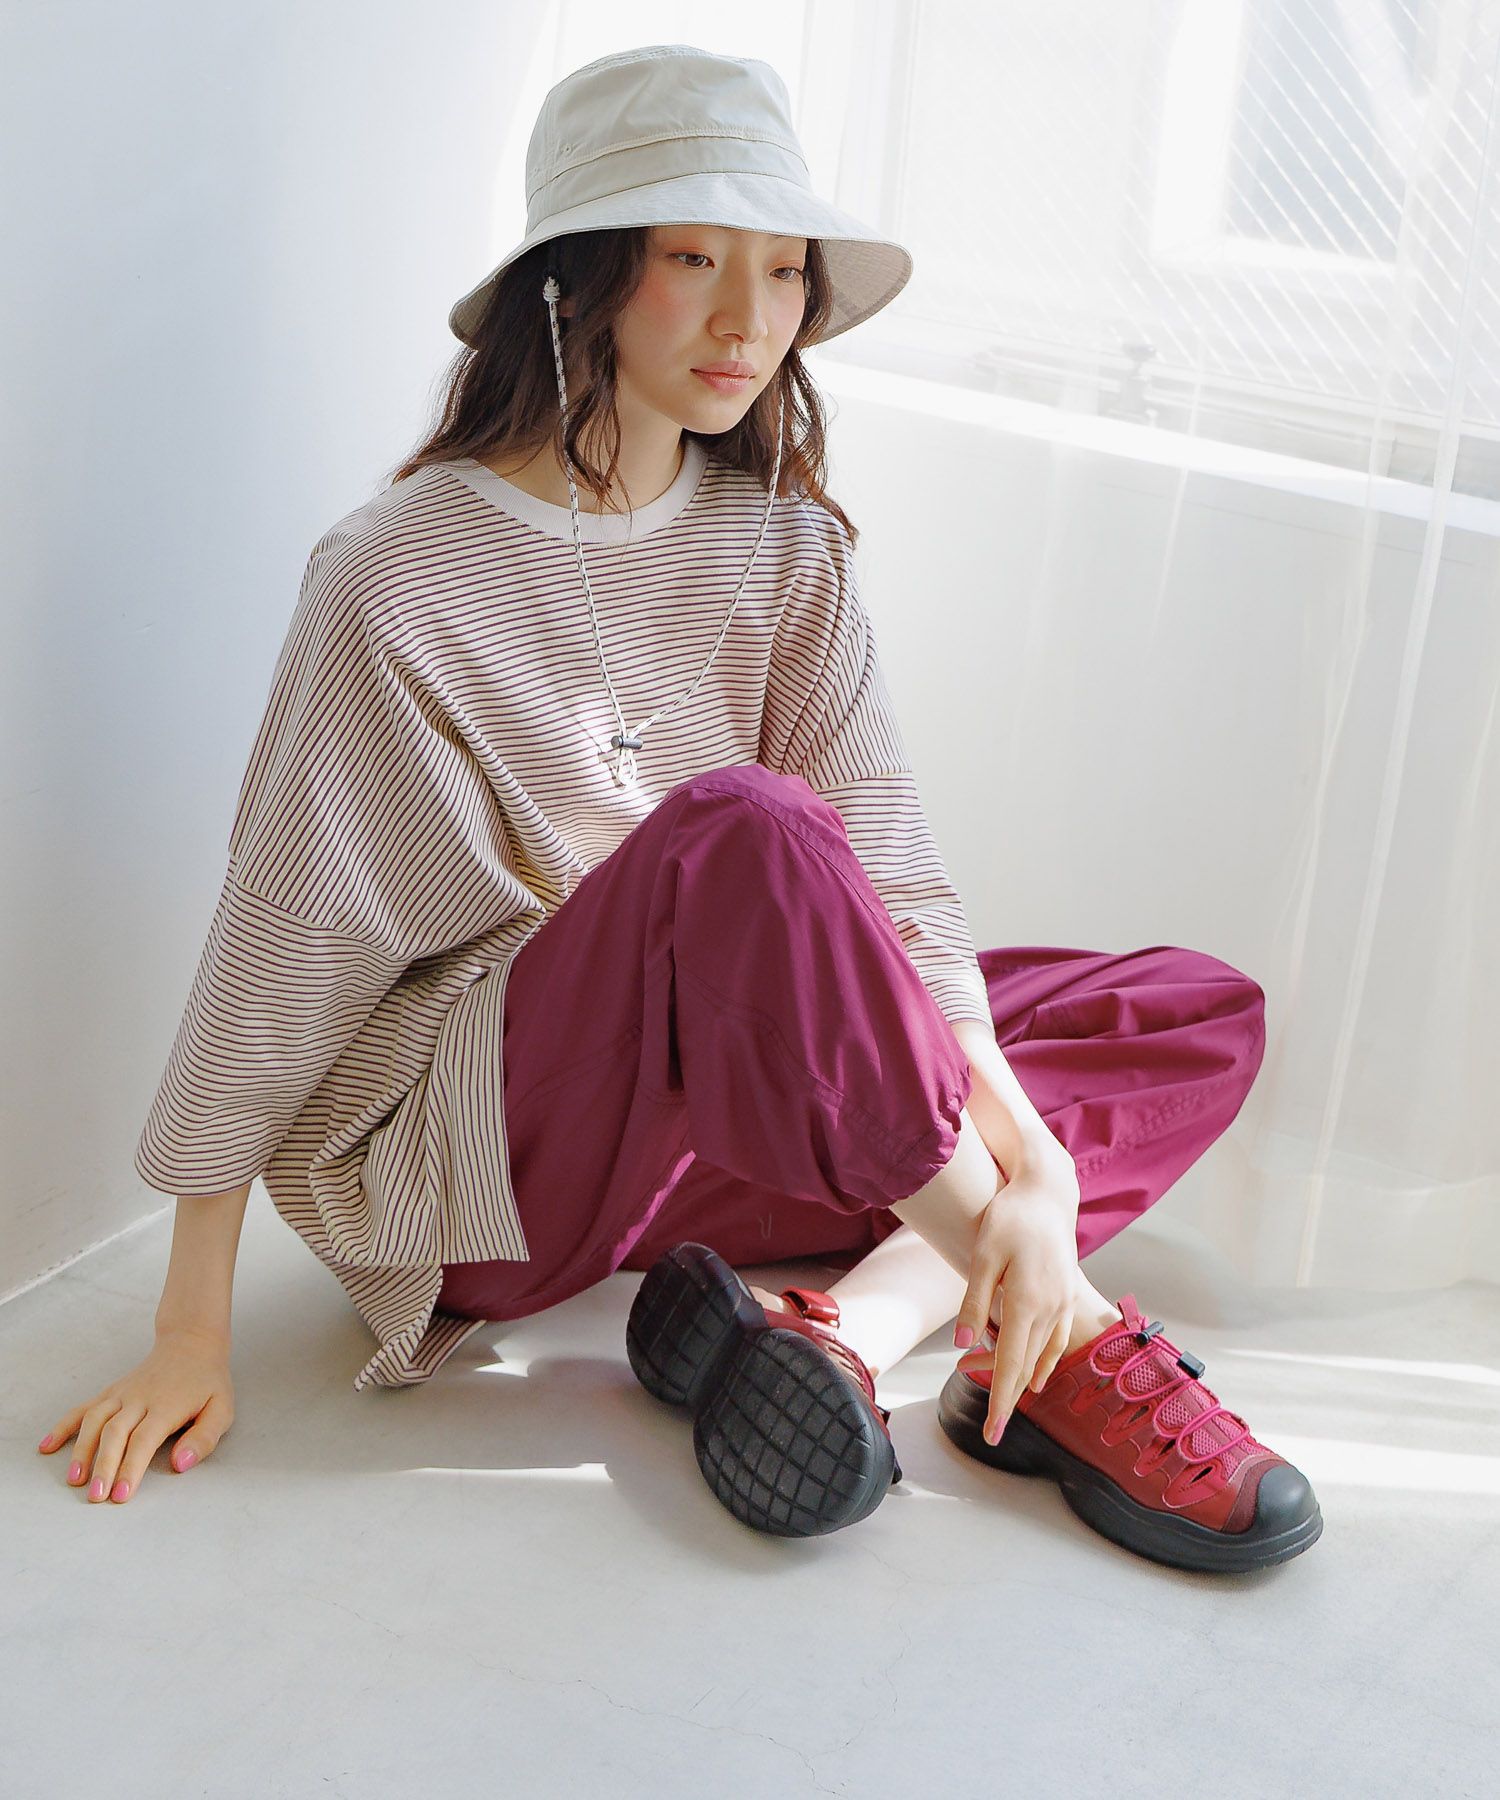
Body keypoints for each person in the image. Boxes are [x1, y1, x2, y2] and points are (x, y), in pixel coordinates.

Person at [38, 45, 1320, 1572]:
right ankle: (1077, 1353)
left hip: (687, 1151)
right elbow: (283, 940)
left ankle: (849, 1328)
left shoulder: (783, 547)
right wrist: (189, 1331)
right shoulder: (394, 574)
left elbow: (894, 876)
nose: (748, 319)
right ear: (578, 280)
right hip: (488, 1169)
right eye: (695, 259)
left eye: (781, 271)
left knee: (1186, 1010)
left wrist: (1033, 1162)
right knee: (746, 831)